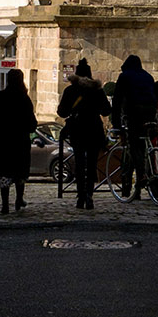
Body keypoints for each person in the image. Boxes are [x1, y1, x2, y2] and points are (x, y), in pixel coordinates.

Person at [58, 57, 110, 209]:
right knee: (92, 163)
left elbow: (62, 112)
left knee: (80, 163)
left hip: (77, 130)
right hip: (94, 129)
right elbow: (106, 110)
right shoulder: (98, 91)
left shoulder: (70, 91)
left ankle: (80, 195)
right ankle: (89, 194)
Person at [0, 68, 38, 213]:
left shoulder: (0, 96)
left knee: (4, 173)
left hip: (2, 141)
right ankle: (19, 199)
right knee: (19, 172)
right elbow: (32, 123)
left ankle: (5, 205)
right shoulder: (24, 98)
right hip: (20, 142)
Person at [111, 54, 158, 197]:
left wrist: (117, 125)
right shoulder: (148, 76)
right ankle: (153, 179)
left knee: (135, 146)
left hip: (134, 114)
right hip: (150, 112)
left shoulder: (124, 76)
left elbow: (117, 101)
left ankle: (141, 176)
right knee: (146, 145)